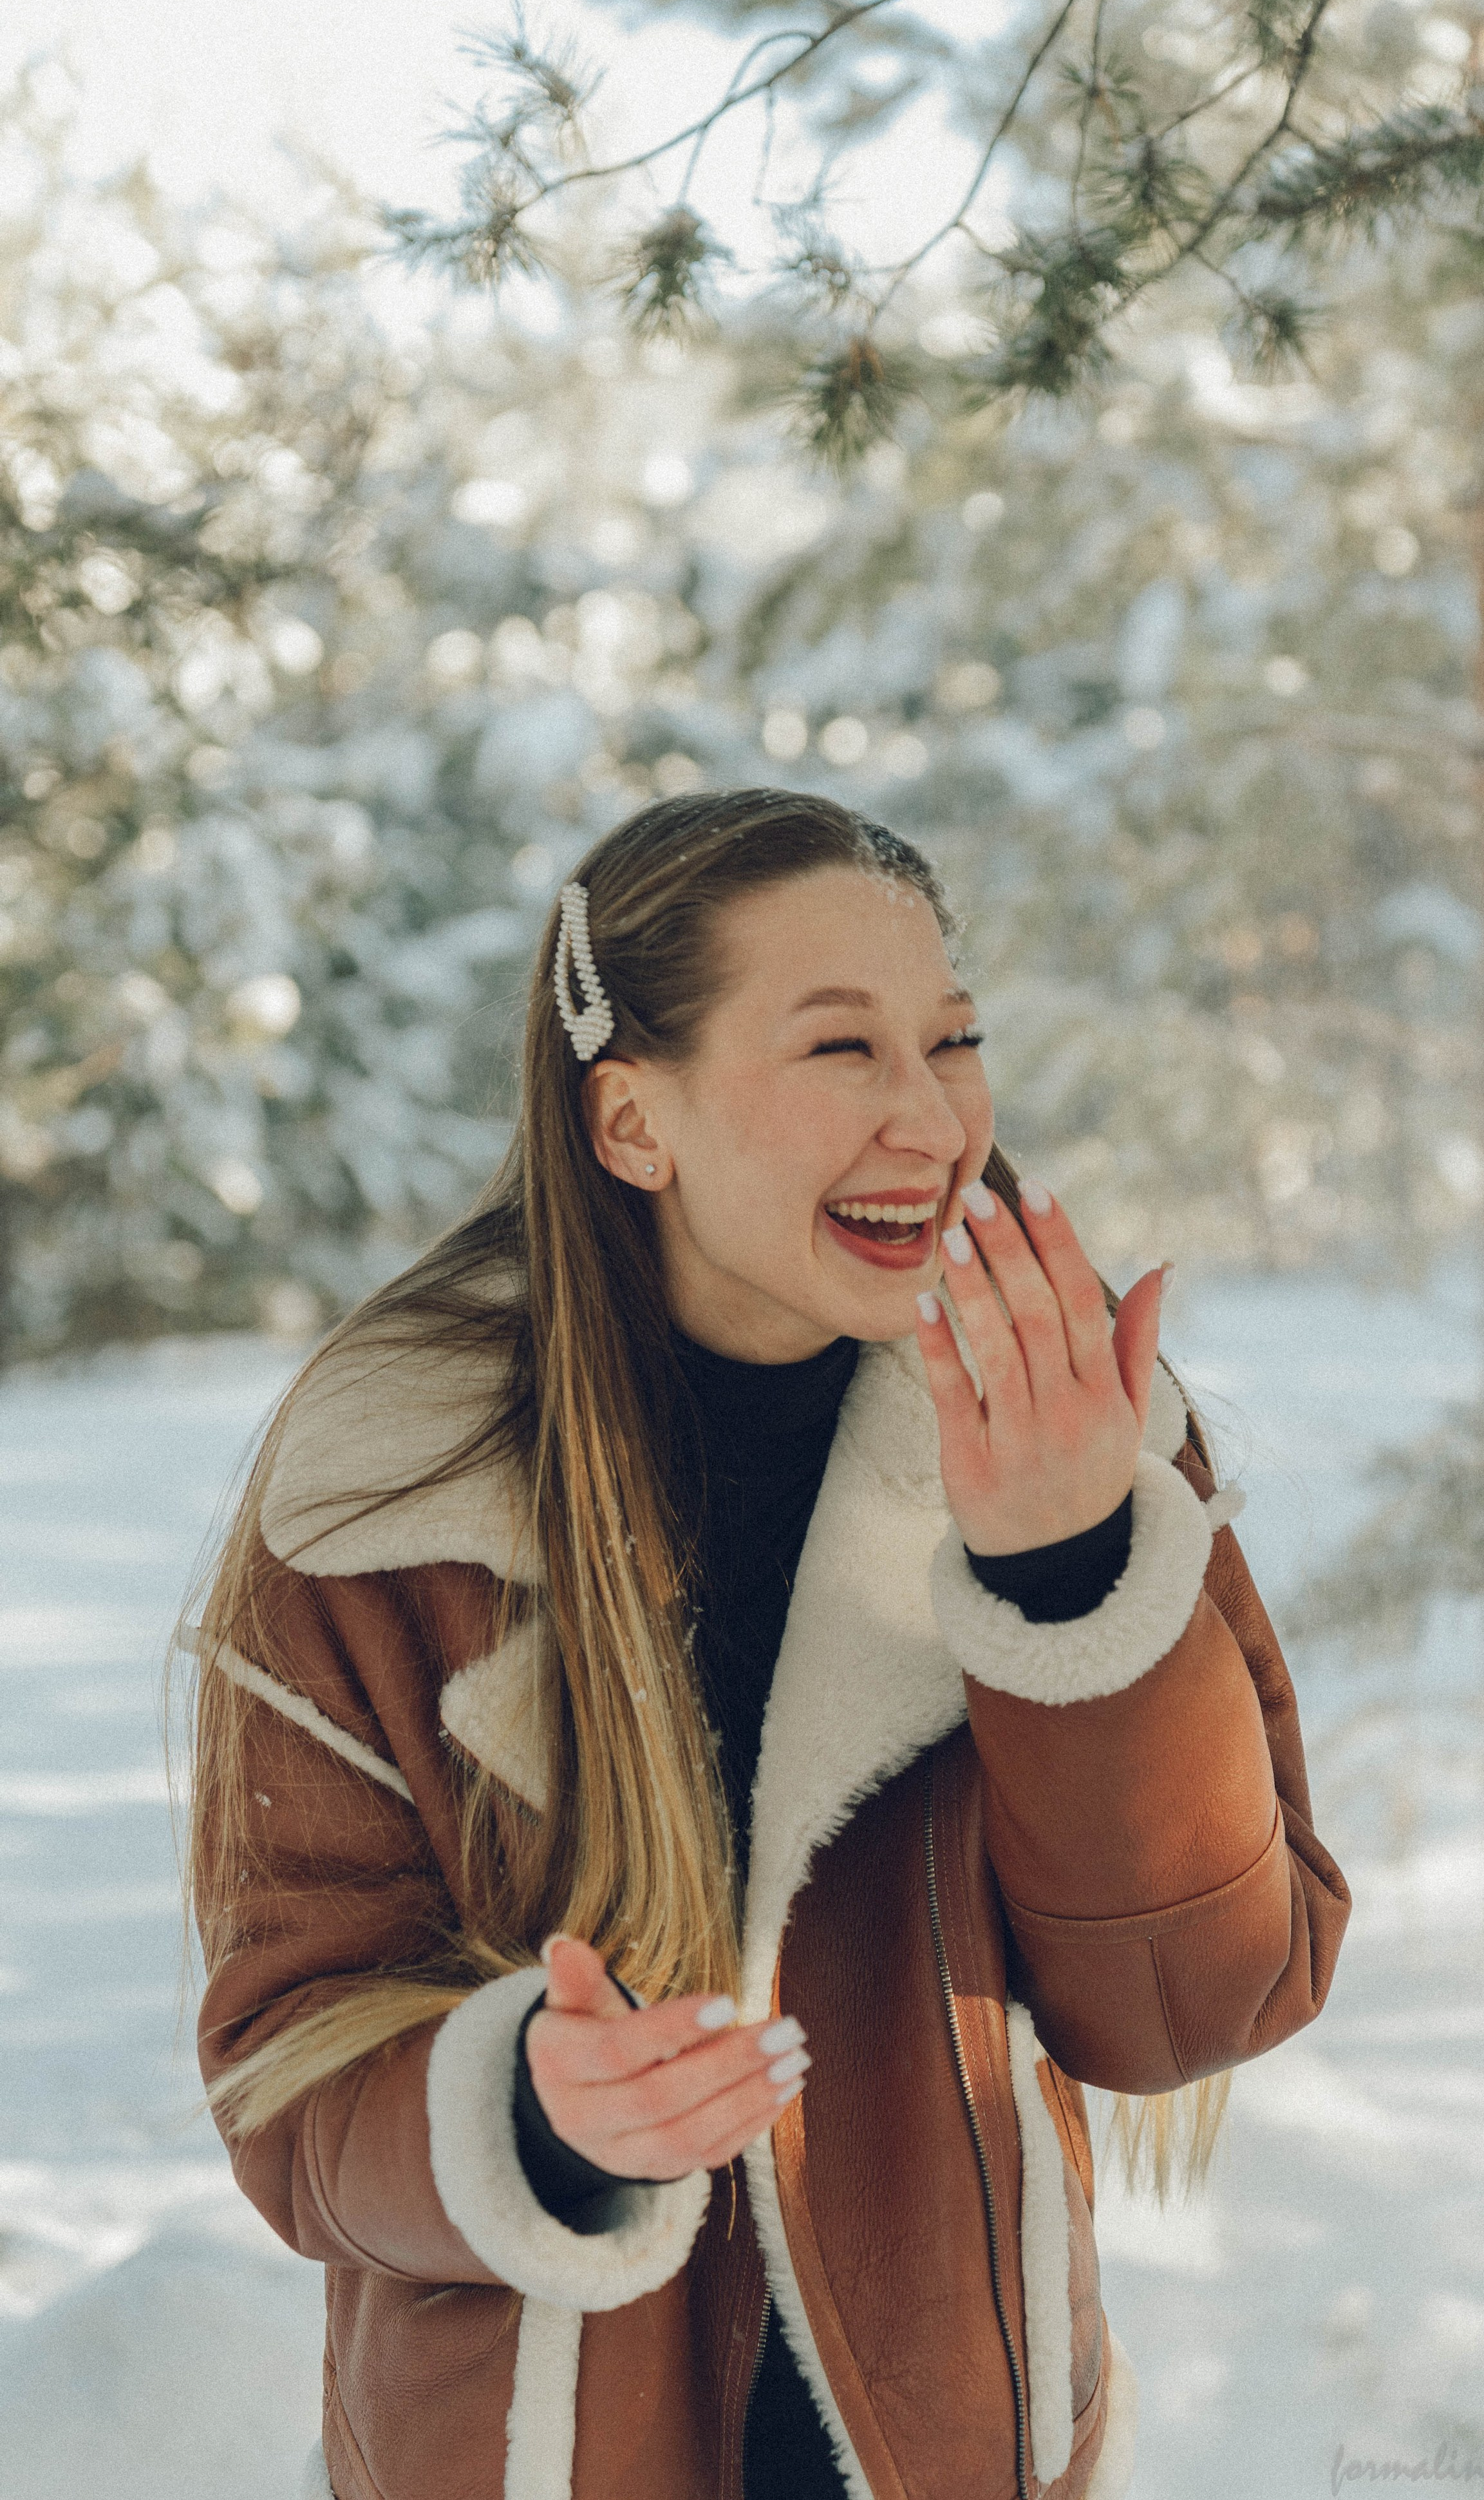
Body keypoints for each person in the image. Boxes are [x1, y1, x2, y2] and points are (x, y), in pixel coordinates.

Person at [183, 788, 1349, 2500]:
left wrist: (1069, 1578)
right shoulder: (386, 1496)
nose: (930, 1118)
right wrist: (527, 2117)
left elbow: (1202, 1998)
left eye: (952, 1040)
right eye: (840, 1048)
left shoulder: (1073, 1428)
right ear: (632, 1122)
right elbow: (289, 2076)